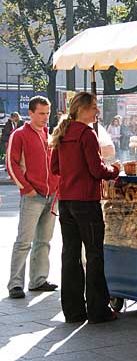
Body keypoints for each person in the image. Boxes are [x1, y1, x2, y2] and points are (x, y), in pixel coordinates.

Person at [50, 92, 120, 324]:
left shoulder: (63, 132)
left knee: (70, 255)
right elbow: (97, 170)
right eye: (93, 108)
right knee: (94, 254)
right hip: (86, 201)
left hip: (66, 200)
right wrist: (115, 170)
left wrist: (72, 172)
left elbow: (55, 167)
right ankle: (98, 311)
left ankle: (73, 311)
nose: (97, 112)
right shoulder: (87, 134)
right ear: (81, 109)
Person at [6, 96, 59, 299]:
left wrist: (57, 186)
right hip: (32, 195)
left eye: (47, 113)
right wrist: (26, 189)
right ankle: (15, 284)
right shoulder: (19, 134)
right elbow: (11, 165)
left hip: (51, 194)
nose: (45, 117)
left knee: (44, 241)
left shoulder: (49, 134)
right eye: (41, 113)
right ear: (30, 113)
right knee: (24, 241)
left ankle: (38, 280)